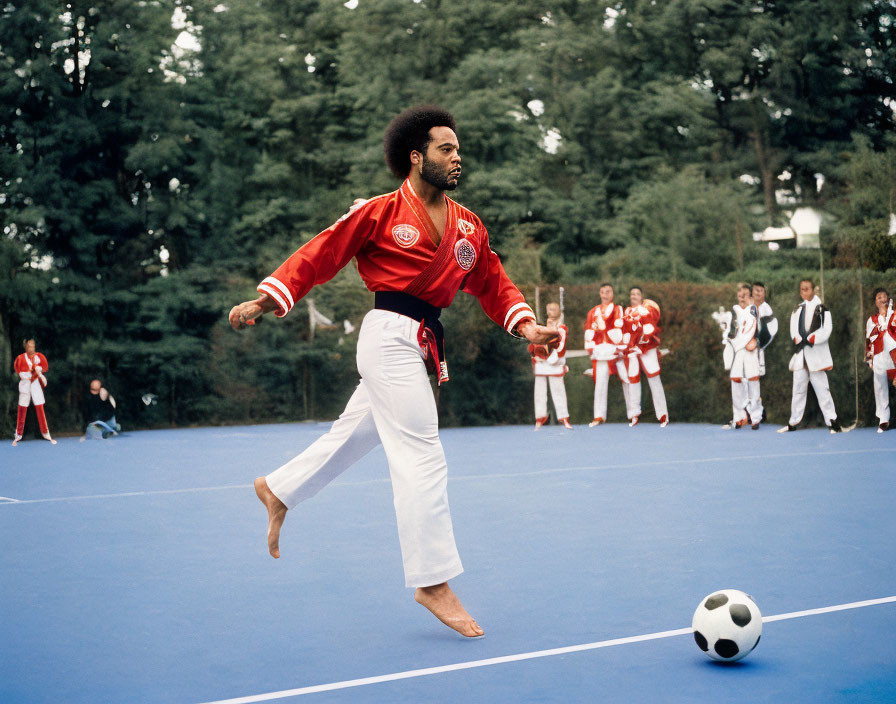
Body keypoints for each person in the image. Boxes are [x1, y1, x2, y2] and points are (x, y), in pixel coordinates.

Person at [228, 105, 556, 638]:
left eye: (457, 148)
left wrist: (526, 327)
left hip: (420, 342)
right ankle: (431, 579)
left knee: (357, 434)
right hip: (387, 335)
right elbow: (320, 254)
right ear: (416, 156)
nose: (457, 157)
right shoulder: (378, 212)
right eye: (446, 149)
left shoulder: (469, 225)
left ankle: (279, 488)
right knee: (422, 451)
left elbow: (493, 282)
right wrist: (265, 300)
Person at [777, 279, 842, 433]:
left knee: (822, 390)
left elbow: (827, 330)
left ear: (814, 290)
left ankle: (832, 422)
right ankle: (793, 423)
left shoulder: (823, 309)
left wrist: (813, 338)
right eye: (802, 289)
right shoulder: (797, 310)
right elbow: (793, 329)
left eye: (807, 288)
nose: (804, 291)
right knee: (798, 390)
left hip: (816, 355)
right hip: (801, 354)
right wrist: (798, 338)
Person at [620, 287, 669, 427]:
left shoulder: (647, 309)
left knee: (654, 379)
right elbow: (625, 331)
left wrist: (642, 340)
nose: (634, 296)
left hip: (647, 348)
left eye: (637, 294)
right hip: (632, 350)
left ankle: (663, 415)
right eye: (632, 294)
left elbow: (651, 326)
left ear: (642, 297)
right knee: (633, 381)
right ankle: (634, 414)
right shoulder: (626, 312)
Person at [584, 283, 626, 426]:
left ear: (612, 294)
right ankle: (599, 416)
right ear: (600, 294)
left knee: (628, 380)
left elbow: (623, 329)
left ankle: (634, 414)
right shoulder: (593, 312)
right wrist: (592, 350)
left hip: (616, 352)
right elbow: (588, 333)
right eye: (603, 292)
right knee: (600, 384)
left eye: (608, 291)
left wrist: (620, 348)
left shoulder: (618, 310)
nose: (605, 294)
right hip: (601, 353)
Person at [722, 284, 762, 430]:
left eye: (746, 294)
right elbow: (728, 334)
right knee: (736, 382)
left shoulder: (753, 310)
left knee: (753, 382)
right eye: (740, 294)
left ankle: (756, 417)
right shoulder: (732, 312)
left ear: (751, 297)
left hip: (750, 352)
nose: (742, 297)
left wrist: (737, 342)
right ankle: (739, 417)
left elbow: (750, 330)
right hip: (737, 353)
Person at [528, 301, 571, 429]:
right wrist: (535, 356)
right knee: (539, 391)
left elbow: (561, 345)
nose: (550, 312)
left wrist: (555, 358)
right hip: (541, 363)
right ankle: (540, 417)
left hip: (555, 362)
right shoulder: (539, 327)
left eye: (553, 309)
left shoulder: (562, 328)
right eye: (549, 309)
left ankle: (563, 417)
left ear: (559, 312)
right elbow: (533, 344)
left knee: (558, 390)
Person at [12, 339, 56, 446]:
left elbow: (45, 367)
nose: (31, 348)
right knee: (22, 408)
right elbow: (19, 371)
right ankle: (18, 435)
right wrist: (31, 372)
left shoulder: (39, 357)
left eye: (33, 346)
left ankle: (46, 434)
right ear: (25, 347)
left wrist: (38, 370)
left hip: (35, 383)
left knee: (40, 407)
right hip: (25, 383)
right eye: (29, 346)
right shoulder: (20, 358)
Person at [864, 287, 895, 432]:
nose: (882, 299)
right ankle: (884, 420)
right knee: (881, 389)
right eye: (879, 298)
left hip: (894, 357)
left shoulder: (894, 315)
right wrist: (870, 360)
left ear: (888, 300)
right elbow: (868, 340)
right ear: (876, 303)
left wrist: (888, 315)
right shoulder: (872, 320)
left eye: (884, 297)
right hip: (879, 357)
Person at [751, 282, 778, 423]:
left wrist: (759, 344)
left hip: (757, 350)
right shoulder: (748, 308)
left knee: (755, 380)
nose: (758, 293)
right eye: (756, 291)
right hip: (744, 351)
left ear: (764, 293)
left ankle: (759, 412)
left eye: (760, 291)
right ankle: (748, 412)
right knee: (743, 380)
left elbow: (771, 330)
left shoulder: (766, 309)